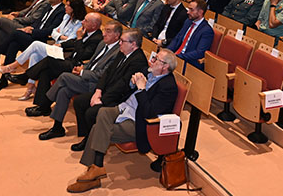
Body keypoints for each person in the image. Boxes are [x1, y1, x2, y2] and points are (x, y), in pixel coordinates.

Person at [68, 49, 178, 193]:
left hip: (137, 122)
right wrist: (133, 83)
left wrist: (141, 89)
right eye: (154, 57)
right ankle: (96, 168)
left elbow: (149, 113)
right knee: (103, 112)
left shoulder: (168, 87)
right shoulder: (148, 71)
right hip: (123, 108)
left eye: (156, 59)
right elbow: (128, 87)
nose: (152, 60)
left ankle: (94, 171)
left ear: (165, 67)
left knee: (97, 129)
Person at [70, 29, 149, 151]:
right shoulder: (123, 52)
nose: (119, 43)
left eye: (122, 41)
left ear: (133, 44)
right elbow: (107, 73)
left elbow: (123, 86)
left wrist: (102, 100)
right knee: (79, 102)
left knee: (91, 113)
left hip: (119, 98)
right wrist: (98, 91)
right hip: (107, 92)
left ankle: (91, 141)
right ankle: (87, 136)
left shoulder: (138, 60)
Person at [30, 21, 122, 124]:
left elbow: (103, 74)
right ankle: (57, 127)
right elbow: (92, 63)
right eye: (104, 30)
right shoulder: (102, 44)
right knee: (63, 91)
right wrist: (82, 68)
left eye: (108, 31)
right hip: (86, 76)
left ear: (117, 35)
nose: (104, 34)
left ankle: (45, 104)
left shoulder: (118, 52)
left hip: (96, 85)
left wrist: (82, 72)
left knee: (64, 76)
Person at [0, 9, 99, 101]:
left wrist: (79, 39)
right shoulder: (86, 31)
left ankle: (15, 69)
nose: (82, 22)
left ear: (94, 25)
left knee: (36, 45)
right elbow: (68, 39)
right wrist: (61, 44)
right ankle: (30, 87)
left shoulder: (96, 38)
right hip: (61, 50)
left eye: (86, 21)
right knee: (35, 55)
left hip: (73, 63)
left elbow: (83, 55)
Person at [164, 0, 214, 69]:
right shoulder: (188, 21)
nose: (188, 12)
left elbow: (199, 53)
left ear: (200, 12)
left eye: (191, 10)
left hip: (189, 63)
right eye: (188, 9)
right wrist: (167, 51)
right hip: (177, 56)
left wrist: (178, 56)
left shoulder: (207, 31)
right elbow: (177, 39)